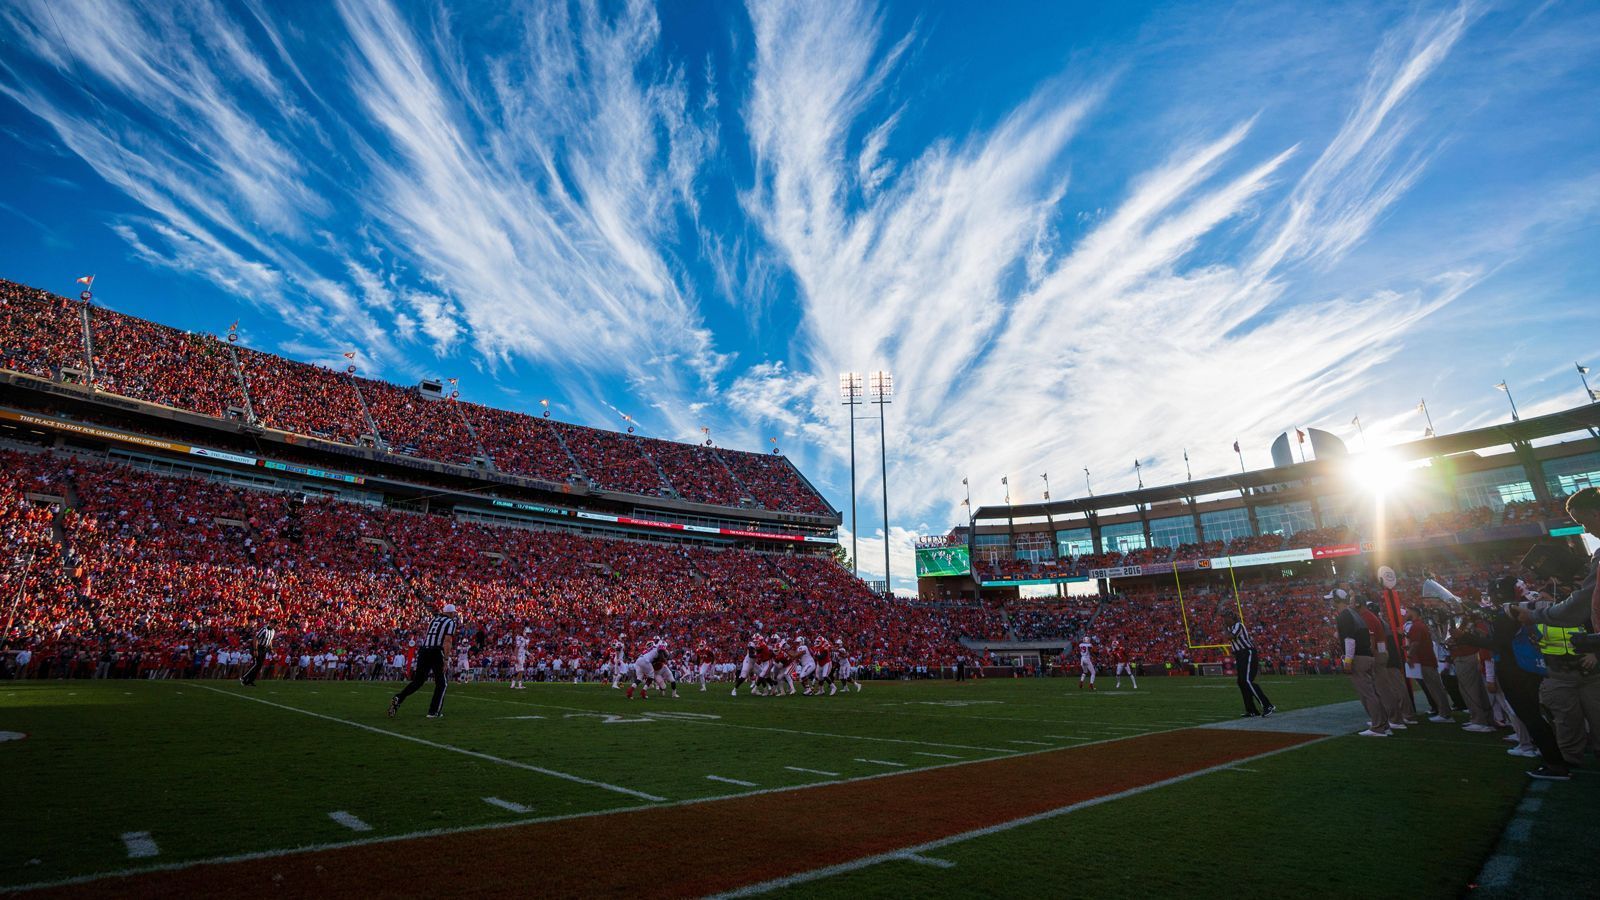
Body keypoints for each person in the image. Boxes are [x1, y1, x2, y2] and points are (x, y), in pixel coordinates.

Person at [1333, 588, 1389, 737]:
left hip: (1359, 657)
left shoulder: (1344, 615)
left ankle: (1378, 727)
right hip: (1367, 656)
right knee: (1374, 692)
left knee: (1368, 694)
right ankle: (1383, 723)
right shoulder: (1354, 614)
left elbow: (1349, 639)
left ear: (1336, 600)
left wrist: (1348, 660)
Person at [388, 603, 456, 719]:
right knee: (442, 683)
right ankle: (433, 711)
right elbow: (448, 640)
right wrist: (446, 659)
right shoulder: (450, 622)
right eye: (453, 613)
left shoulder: (434, 620)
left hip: (424, 651)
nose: (454, 615)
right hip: (436, 652)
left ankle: (399, 698)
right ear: (450, 613)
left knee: (418, 681)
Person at [1227, 610, 1274, 718]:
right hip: (1240, 655)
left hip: (1247, 653)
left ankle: (1267, 705)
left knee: (1247, 681)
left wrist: (1225, 630)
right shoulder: (1230, 628)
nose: (1224, 620)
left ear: (1232, 618)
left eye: (1226, 617)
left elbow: (1230, 637)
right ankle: (1252, 710)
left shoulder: (1238, 625)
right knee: (1241, 682)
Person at [239, 616, 274, 687]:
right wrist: (255, 649)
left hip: (264, 649)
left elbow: (270, 640)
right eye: (273, 624)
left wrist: (271, 649)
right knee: (256, 664)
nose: (274, 626)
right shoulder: (264, 629)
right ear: (270, 623)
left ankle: (250, 681)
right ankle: (244, 677)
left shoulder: (273, 631)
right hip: (258, 647)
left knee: (259, 666)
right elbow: (255, 638)